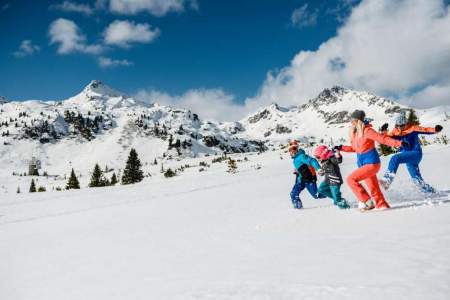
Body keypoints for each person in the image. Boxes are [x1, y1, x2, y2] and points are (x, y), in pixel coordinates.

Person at [335, 110, 403, 211]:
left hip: (372, 163)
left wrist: (399, 143)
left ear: (358, 120)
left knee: (351, 179)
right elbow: (355, 149)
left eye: (353, 120)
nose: (351, 122)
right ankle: (382, 205)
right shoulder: (356, 134)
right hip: (363, 165)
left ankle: (366, 202)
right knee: (373, 188)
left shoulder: (367, 131)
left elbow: (382, 139)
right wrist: (342, 148)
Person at [379, 111, 443, 193]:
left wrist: (435, 129)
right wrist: (384, 131)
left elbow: (425, 130)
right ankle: (430, 191)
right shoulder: (396, 131)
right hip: (407, 156)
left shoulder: (413, 128)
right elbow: (386, 139)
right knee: (416, 179)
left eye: (402, 126)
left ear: (406, 124)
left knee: (395, 158)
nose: (400, 128)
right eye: (398, 126)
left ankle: (387, 180)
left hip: (415, 153)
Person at [288, 140, 321, 209]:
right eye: (290, 149)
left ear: (297, 148)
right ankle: (298, 209)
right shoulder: (295, 158)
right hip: (300, 180)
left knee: (316, 195)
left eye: (294, 148)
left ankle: (332, 192)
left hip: (308, 179)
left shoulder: (301, 156)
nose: (292, 151)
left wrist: (318, 168)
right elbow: (302, 167)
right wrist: (298, 172)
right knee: (293, 194)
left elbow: (312, 160)